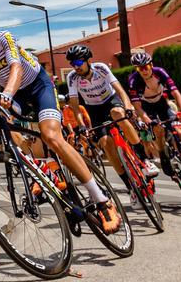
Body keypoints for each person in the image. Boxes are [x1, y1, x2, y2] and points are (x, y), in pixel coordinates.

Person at [0, 10, 121, 232]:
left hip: (38, 86)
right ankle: (42, 169)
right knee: (0, 122)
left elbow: (16, 67)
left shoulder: (3, 39)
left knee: (51, 136)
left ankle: (102, 200)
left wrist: (7, 95)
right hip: (15, 94)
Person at [64, 44, 160, 186]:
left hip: (111, 100)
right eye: (72, 64)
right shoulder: (72, 77)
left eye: (78, 62)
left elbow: (120, 91)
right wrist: (82, 125)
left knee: (117, 113)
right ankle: (130, 186)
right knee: (106, 143)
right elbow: (75, 106)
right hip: (94, 108)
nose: (75, 67)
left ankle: (144, 160)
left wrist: (128, 108)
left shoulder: (101, 68)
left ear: (89, 61)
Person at [126, 50, 181, 186]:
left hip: (162, 104)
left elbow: (175, 92)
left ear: (151, 65)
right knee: (158, 131)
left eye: (146, 67)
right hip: (147, 107)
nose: (144, 71)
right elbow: (137, 106)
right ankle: (163, 155)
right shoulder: (133, 80)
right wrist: (146, 119)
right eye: (139, 68)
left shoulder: (160, 72)